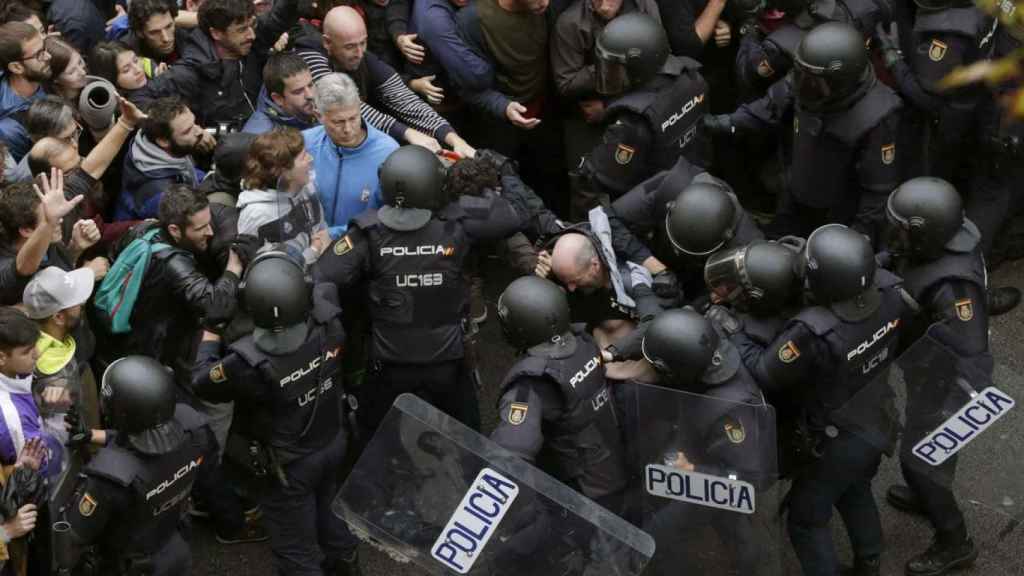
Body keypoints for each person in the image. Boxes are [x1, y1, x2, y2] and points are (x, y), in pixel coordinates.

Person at [724, 223, 906, 576]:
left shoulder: (814, 330)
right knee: (854, 488)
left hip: (837, 436)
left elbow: (766, 372)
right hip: (878, 415)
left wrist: (733, 333)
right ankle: (869, 563)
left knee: (806, 521)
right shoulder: (890, 290)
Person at [314, 145, 523, 433]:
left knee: (375, 438)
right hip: (448, 362)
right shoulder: (459, 221)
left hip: (389, 364)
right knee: (468, 440)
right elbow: (510, 215)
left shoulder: (366, 232)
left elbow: (322, 275)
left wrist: (335, 327)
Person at [191, 252, 362, 576]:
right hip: (331, 440)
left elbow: (202, 380)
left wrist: (211, 331)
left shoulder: (247, 362)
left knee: (296, 553)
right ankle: (347, 564)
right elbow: (324, 284)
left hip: (289, 467)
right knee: (329, 513)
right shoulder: (330, 324)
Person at [710, 22, 903, 244]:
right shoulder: (807, 76)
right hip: (795, 190)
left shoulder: (877, 116)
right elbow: (768, 108)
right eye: (801, 75)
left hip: (835, 215)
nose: (801, 86)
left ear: (842, 82)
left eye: (814, 83)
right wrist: (722, 123)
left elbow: (877, 191)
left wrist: (857, 239)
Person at [881, 177, 988, 575]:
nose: (895, 235)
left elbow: (972, 356)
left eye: (903, 229)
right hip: (926, 373)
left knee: (920, 459)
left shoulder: (954, 287)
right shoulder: (945, 244)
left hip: (946, 387)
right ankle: (927, 495)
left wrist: (951, 418)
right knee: (924, 457)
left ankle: (954, 541)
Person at [60, 356, 218, 576]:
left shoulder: (110, 475)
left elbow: (75, 534)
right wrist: (92, 436)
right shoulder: (194, 428)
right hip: (174, 543)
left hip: (132, 565)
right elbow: (153, 439)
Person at [491, 275, 628, 509]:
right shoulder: (585, 342)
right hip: (614, 466)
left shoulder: (532, 382)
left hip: (579, 497)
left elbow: (511, 455)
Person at [574, 13, 709, 216]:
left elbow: (601, 181)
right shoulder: (693, 78)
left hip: (656, 209)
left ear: (639, 67)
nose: (609, 74)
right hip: (697, 184)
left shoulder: (633, 122)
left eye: (616, 69)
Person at [298, 6, 475, 155]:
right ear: (327, 43)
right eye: (350, 46)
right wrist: (407, 133)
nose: (359, 53)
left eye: (363, 43)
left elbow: (403, 99)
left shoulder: (363, 58)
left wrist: (453, 138)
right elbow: (344, 104)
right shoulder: (309, 57)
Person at [874, 0, 989, 181]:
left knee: (927, 175)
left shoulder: (949, 36)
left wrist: (892, 57)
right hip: (972, 99)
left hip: (944, 121)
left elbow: (926, 98)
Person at [610, 168, 763, 302]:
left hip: (703, 275)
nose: (677, 251)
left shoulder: (747, 251)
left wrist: (703, 302)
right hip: (654, 254)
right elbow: (608, 219)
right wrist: (654, 266)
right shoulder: (669, 186)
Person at [551, 0, 662, 174]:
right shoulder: (571, 23)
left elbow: (658, 62)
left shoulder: (645, 7)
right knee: (591, 183)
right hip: (588, 116)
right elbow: (567, 83)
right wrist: (612, 63)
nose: (603, 6)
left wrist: (612, 105)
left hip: (637, 107)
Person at [302, 72, 398, 238]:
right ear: (319, 116)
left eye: (353, 118)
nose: (348, 129)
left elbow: (392, 216)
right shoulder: (304, 144)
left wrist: (333, 234)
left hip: (364, 249)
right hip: (312, 247)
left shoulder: (388, 152)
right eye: (338, 122)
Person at [24, 266, 97, 446]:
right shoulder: (44, 367)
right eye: (76, 302)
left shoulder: (64, 333)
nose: (82, 303)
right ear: (58, 318)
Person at [237, 127, 330, 266]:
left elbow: (320, 227)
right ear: (283, 171)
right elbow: (267, 271)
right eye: (303, 156)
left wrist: (324, 240)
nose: (310, 159)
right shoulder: (255, 215)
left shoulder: (306, 188)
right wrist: (314, 251)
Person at [0, 171, 94, 306]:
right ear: (26, 230)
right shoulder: (4, 269)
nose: (59, 220)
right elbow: (22, 268)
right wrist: (88, 271)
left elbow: (89, 172)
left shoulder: (53, 234)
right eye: (47, 218)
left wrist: (75, 249)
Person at [116, 96, 214, 221]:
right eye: (188, 130)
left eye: (194, 123)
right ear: (163, 141)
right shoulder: (160, 197)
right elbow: (192, 224)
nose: (199, 131)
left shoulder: (152, 143)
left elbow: (188, 171)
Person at [0, 307, 61, 479]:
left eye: (36, 345)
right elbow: (32, 474)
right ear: (2, 358)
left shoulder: (14, 367)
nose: (38, 354)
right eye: (27, 351)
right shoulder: (13, 419)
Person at [0, 22, 51, 162]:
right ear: (16, 67)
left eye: (45, 48)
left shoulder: (42, 73)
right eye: (39, 54)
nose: (48, 56)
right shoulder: (10, 130)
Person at [242, 53, 318, 134]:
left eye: (310, 85)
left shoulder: (322, 109)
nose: (310, 95)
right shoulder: (261, 136)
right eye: (298, 91)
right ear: (278, 98)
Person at [42, 37, 87, 106]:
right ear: (55, 79)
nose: (83, 72)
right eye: (71, 72)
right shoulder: (56, 108)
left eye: (80, 62)